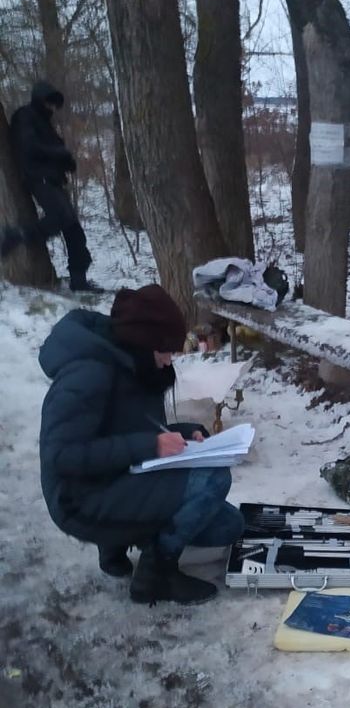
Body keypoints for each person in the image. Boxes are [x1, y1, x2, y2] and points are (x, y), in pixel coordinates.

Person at [38, 283, 244, 605]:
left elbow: (133, 427)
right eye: (165, 351)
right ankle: (156, 576)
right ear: (145, 342)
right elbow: (62, 455)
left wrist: (184, 433)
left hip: (117, 479)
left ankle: (121, 543)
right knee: (213, 479)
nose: (168, 361)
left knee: (228, 526)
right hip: (80, 499)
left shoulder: (135, 364)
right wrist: (150, 446)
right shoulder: (87, 374)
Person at [0, 80, 99, 292]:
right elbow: (29, 147)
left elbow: (54, 150)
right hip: (38, 177)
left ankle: (78, 280)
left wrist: (67, 161)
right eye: (48, 102)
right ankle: (15, 235)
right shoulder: (24, 116)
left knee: (74, 230)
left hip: (53, 179)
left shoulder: (46, 124)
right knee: (60, 218)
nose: (51, 108)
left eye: (54, 104)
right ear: (39, 98)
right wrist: (58, 154)